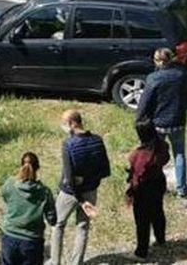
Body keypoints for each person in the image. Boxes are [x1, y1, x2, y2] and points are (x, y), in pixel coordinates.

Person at [49, 110, 110, 265]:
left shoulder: (68, 145)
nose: (63, 126)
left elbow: (69, 178)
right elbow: (105, 170)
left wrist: (80, 198)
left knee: (57, 224)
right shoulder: (98, 140)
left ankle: (55, 261)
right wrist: (88, 180)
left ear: (72, 123)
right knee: (82, 226)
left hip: (70, 193)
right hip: (91, 191)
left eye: (64, 123)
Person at [135, 47, 187, 198]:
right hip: (178, 121)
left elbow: (144, 103)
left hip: (158, 123)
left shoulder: (153, 78)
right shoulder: (181, 75)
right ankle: (182, 189)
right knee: (179, 154)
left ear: (159, 61)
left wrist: (139, 120)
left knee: (155, 157)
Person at [0, 151, 57, 265]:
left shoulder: (10, 184)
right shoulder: (44, 192)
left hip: (10, 236)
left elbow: (5, 197)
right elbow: (52, 219)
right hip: (32, 241)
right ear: (37, 168)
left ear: (21, 165)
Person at [126, 120, 169, 261]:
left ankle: (141, 252)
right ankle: (161, 238)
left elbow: (136, 176)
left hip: (143, 190)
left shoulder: (138, 155)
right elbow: (166, 158)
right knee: (158, 212)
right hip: (159, 183)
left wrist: (130, 192)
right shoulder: (162, 146)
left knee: (142, 221)